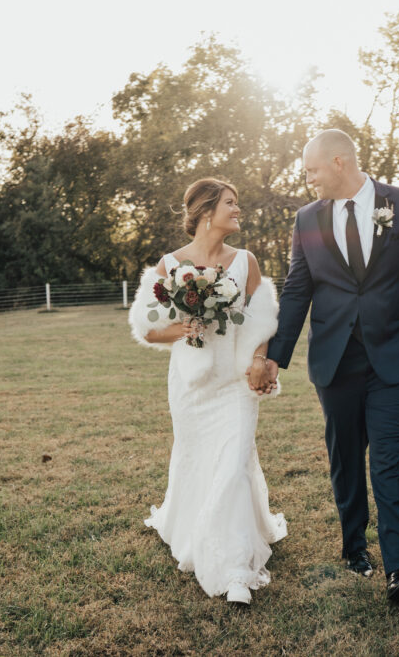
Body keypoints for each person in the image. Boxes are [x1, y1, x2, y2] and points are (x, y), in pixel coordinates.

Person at [255, 130, 399, 604]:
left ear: (339, 162)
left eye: (312, 171)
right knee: (345, 459)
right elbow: (298, 290)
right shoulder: (307, 219)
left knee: (390, 459)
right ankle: (353, 546)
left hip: (397, 356)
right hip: (335, 360)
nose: (309, 180)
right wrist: (275, 356)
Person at [128, 178, 286, 606]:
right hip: (192, 383)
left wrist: (258, 359)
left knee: (234, 463)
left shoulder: (245, 261)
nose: (239, 210)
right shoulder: (169, 265)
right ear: (204, 212)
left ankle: (235, 569)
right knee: (199, 459)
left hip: (234, 382)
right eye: (231, 204)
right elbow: (147, 326)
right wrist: (180, 328)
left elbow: (262, 318)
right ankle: (195, 526)